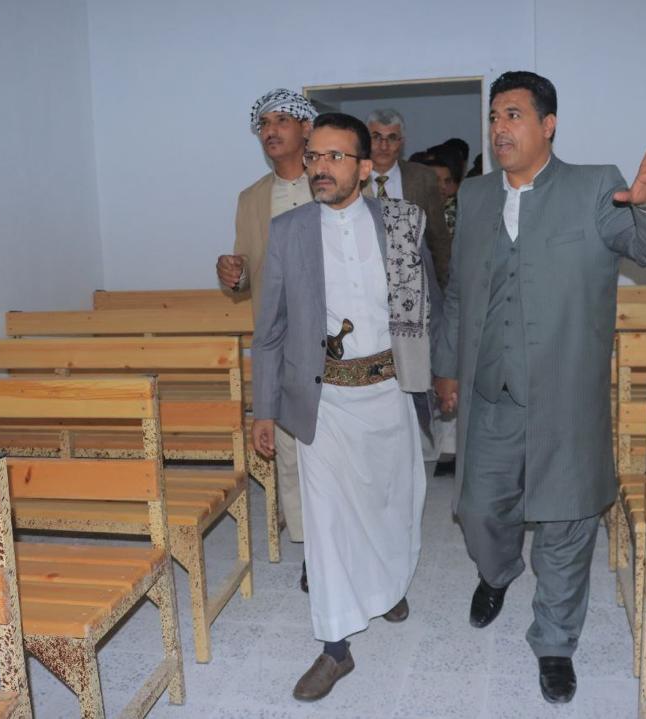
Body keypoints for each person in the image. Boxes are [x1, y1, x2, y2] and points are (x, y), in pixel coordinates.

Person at [433, 70, 646, 706]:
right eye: (494, 116)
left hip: (565, 396)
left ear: (548, 125)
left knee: (567, 524)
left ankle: (554, 643)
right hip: (492, 394)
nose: (499, 128)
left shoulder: (595, 186)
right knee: (479, 509)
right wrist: (447, 367)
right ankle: (498, 572)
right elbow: (459, 292)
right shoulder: (476, 194)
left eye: (514, 115)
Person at [251, 112, 433, 702]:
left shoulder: (401, 223)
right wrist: (263, 409)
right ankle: (335, 647)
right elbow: (270, 330)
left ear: (364, 165)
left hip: (391, 391)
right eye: (314, 156)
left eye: (335, 157)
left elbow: (431, 302)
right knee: (327, 521)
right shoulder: (289, 230)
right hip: (323, 400)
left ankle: (388, 585)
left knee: (392, 503)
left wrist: (444, 376)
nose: (320, 168)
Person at [216, 88, 316, 593]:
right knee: (291, 453)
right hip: (280, 344)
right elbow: (246, 276)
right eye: (263, 124)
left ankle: (354, 542)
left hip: (336, 345)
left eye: (281, 120)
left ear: (306, 128)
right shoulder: (252, 198)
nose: (270, 131)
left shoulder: (332, 180)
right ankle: (313, 551)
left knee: (341, 456)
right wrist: (231, 273)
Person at [364, 108, 453, 289]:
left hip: (414, 285)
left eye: (391, 138)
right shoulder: (351, 178)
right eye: (376, 137)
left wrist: (444, 289)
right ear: (366, 140)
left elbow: (438, 239)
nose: (383, 146)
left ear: (402, 142)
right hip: (365, 284)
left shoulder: (422, 178)